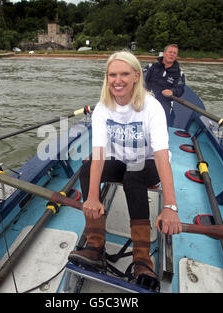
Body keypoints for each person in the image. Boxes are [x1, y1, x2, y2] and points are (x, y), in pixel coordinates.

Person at [68, 51, 182, 291]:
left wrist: (170, 207)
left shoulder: (151, 107)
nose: (117, 80)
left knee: (134, 175)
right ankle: (95, 246)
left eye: (124, 74)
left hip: (148, 165)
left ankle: (142, 259)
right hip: (121, 160)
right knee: (88, 168)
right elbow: (98, 153)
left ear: (136, 76)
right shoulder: (102, 108)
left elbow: (162, 157)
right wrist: (91, 197)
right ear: (107, 78)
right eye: (112, 75)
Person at [143, 44, 186, 125]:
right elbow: (140, 80)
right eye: (170, 52)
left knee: (162, 122)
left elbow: (180, 89)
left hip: (164, 102)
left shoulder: (179, 73)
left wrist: (172, 91)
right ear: (164, 53)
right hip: (147, 98)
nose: (172, 54)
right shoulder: (151, 66)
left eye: (174, 53)